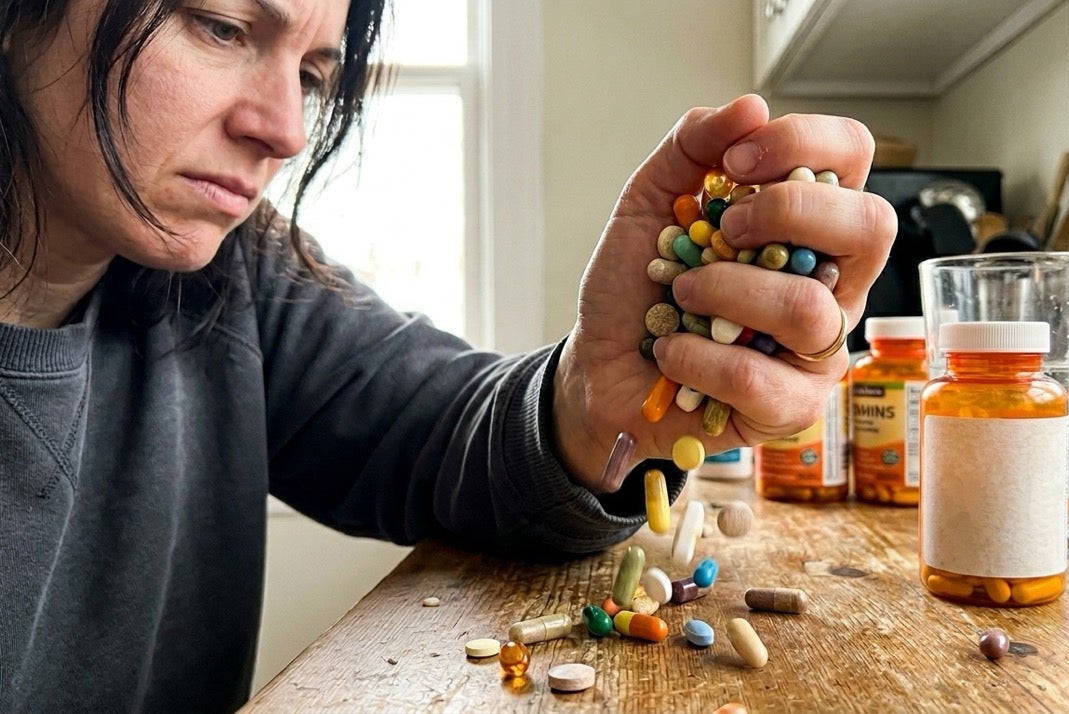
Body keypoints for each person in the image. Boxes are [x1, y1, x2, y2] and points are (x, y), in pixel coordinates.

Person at [0, 0, 895, 711]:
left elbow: (439, 428)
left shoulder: (236, 278)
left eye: (313, 74)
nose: (284, 128)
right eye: (223, 25)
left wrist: (590, 399)